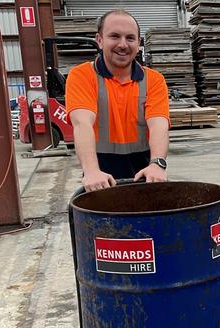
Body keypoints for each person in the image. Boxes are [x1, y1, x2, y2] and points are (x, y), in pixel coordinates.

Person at [66, 9, 170, 192]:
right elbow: (82, 124)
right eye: (114, 36)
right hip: (99, 180)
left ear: (138, 43)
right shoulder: (81, 76)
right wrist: (91, 171)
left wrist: (157, 164)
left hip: (144, 176)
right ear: (99, 40)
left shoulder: (154, 80)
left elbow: (159, 126)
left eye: (130, 38)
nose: (123, 44)